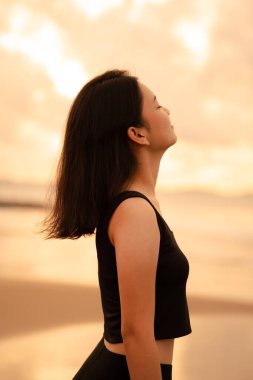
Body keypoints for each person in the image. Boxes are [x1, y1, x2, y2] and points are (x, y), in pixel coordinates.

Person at [39, 69, 192, 380]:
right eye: (157, 104)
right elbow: (135, 333)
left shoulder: (138, 205)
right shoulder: (135, 210)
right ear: (137, 133)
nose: (167, 110)